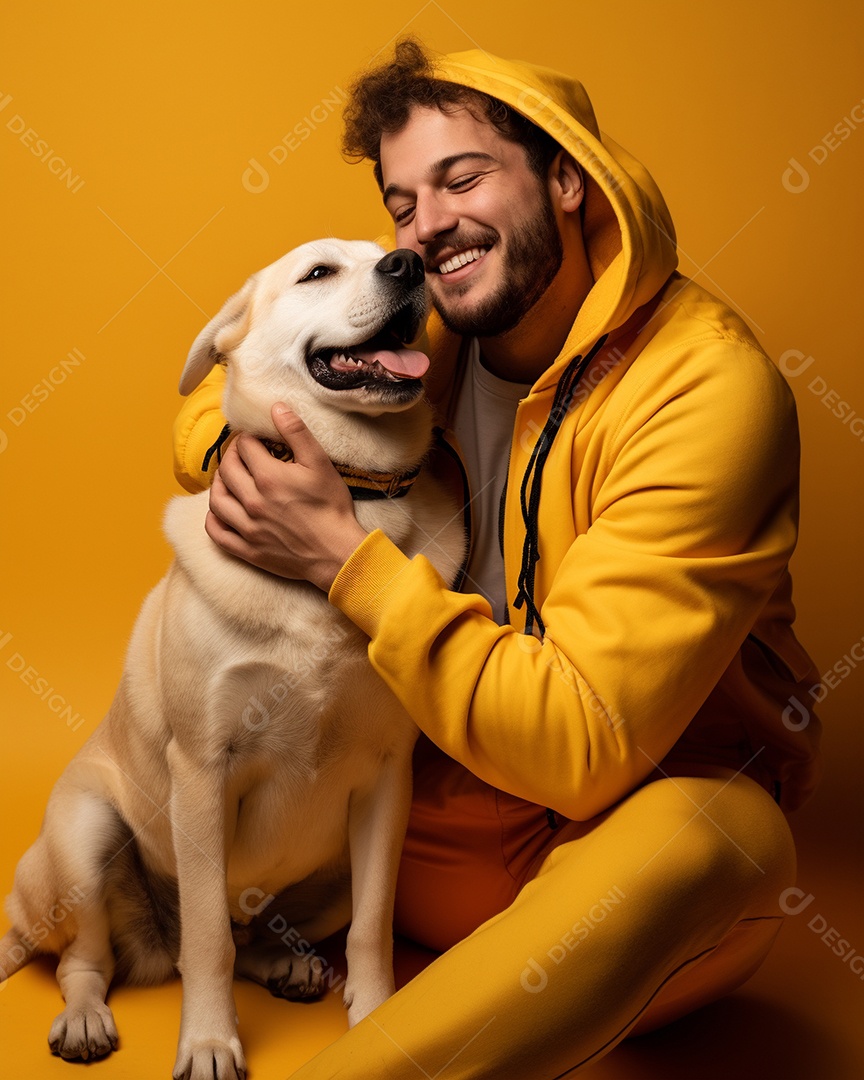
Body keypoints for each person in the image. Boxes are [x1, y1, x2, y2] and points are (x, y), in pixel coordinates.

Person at [173, 39, 822, 1079]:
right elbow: (234, 371)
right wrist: (236, 456)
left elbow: (581, 746)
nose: (426, 226)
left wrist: (345, 558)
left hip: (599, 849)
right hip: (417, 816)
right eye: (402, 203)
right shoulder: (419, 338)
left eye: (462, 178)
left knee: (723, 835)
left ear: (567, 179)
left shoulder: (708, 391)